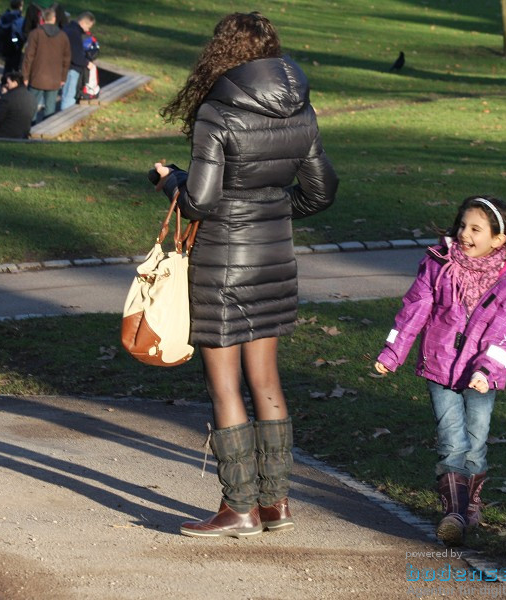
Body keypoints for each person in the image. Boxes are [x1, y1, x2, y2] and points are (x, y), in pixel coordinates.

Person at [152, 11, 338, 539]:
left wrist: (168, 181)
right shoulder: (300, 106)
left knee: (225, 385)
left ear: (222, 53)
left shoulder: (218, 109)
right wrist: (273, 211)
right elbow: (322, 191)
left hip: (222, 263)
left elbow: (201, 201)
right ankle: (276, 503)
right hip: (274, 257)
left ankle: (238, 510)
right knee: (266, 380)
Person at [374, 196, 506, 546]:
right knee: (452, 441)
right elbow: (413, 310)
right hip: (439, 366)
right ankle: (455, 514)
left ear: (498, 239)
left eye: (475, 229)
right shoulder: (438, 264)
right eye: (462, 225)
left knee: (475, 442)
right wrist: (392, 350)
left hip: (481, 376)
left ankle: (470, 504)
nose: (464, 233)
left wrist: (487, 369)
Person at [21, 4, 69, 121]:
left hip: (37, 76)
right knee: (50, 107)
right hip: (54, 78)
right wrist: (63, 77)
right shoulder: (63, 36)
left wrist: (25, 76)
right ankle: (47, 128)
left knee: (32, 106)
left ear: (42, 19)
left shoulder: (35, 34)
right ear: (54, 19)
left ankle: (30, 129)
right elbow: (66, 58)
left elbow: (28, 57)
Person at [60, 10, 95, 110]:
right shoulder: (75, 34)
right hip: (72, 68)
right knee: (68, 97)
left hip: (62, 65)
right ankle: (65, 121)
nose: (87, 30)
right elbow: (76, 56)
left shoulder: (67, 28)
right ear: (83, 23)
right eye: (88, 27)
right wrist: (87, 63)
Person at [0, 71, 38, 138]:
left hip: (4, 133)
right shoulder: (31, 97)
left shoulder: (8, 98)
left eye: (8, 83)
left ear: (15, 83)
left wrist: (3, 95)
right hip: (22, 134)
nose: (6, 85)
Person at [0, 0, 25, 75]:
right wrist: (16, 43)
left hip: (5, 44)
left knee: (7, 66)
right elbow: (16, 34)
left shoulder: (5, 16)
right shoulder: (19, 19)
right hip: (15, 47)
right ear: (20, 6)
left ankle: (4, 82)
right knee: (15, 68)